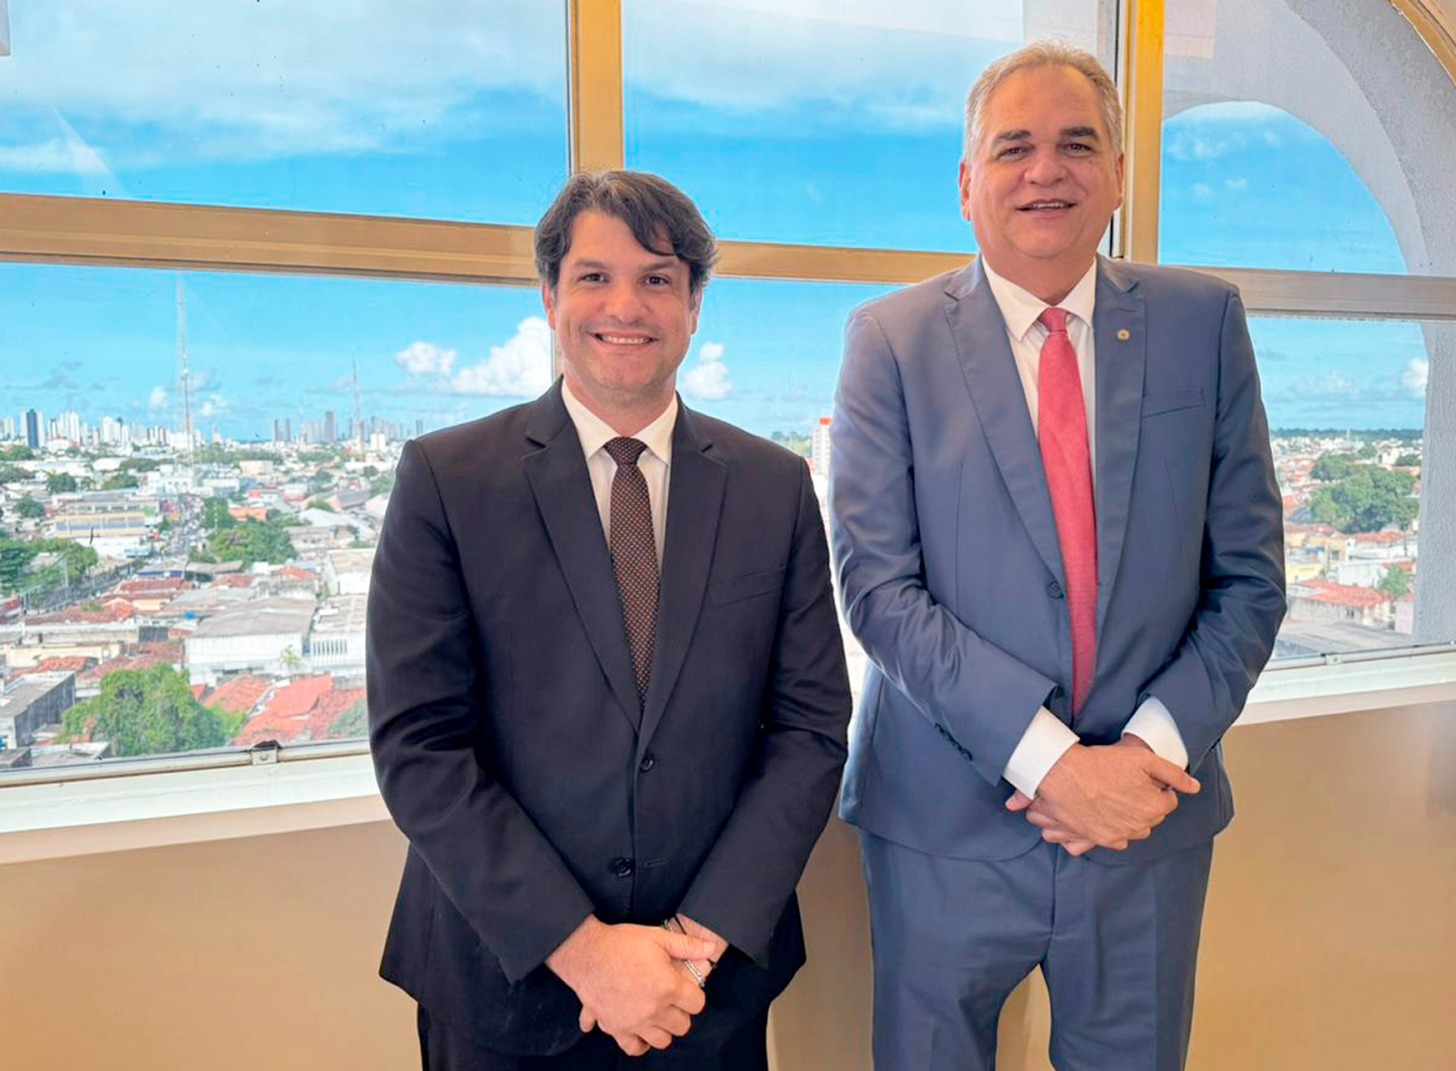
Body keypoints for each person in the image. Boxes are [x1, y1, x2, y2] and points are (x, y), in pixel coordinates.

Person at [829, 41, 1286, 1071]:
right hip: (943, 824)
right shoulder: (889, 341)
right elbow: (878, 589)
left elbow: (1250, 579)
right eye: (1014, 147)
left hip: (1145, 822)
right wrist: (1050, 764)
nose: (1046, 171)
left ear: (1119, 172)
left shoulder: (1201, 323)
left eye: (1078, 144)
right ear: (967, 183)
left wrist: (1140, 760)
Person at [367, 170, 851, 1071]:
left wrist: (694, 944)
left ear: (695, 305)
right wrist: (586, 951)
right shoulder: (446, 479)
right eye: (594, 276)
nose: (625, 304)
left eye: (658, 278)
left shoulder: (773, 488)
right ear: (549, 295)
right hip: (503, 987)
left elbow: (811, 730)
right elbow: (418, 746)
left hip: (703, 988)